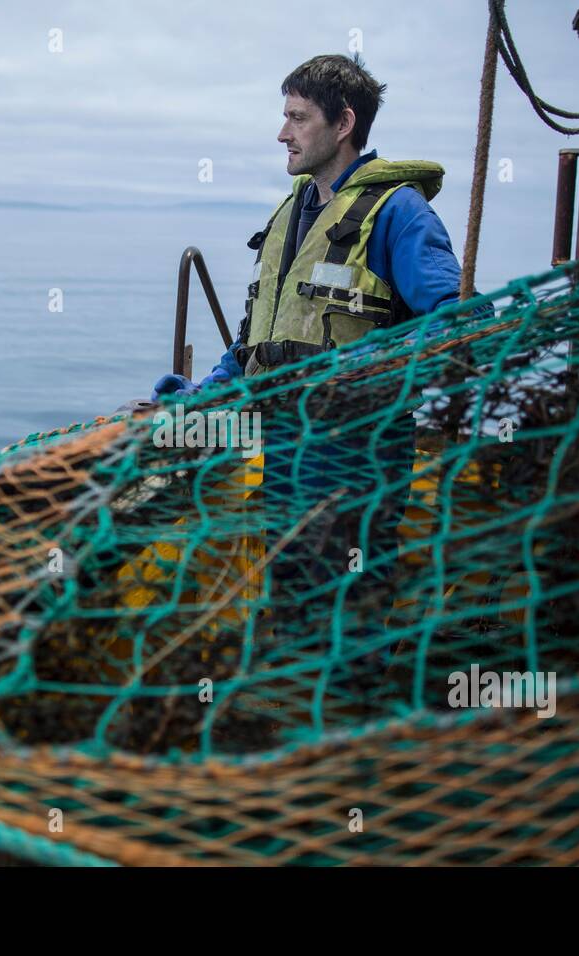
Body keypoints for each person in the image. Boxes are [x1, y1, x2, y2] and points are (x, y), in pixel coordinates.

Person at [150, 53, 465, 673]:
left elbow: (455, 322)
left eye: (297, 118)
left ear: (343, 123)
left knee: (348, 607)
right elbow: (262, 338)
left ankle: (353, 735)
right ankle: (295, 723)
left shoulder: (400, 213)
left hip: (356, 453)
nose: (282, 133)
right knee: (290, 597)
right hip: (286, 447)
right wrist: (205, 392)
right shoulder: (292, 211)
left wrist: (357, 368)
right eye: (284, 117)